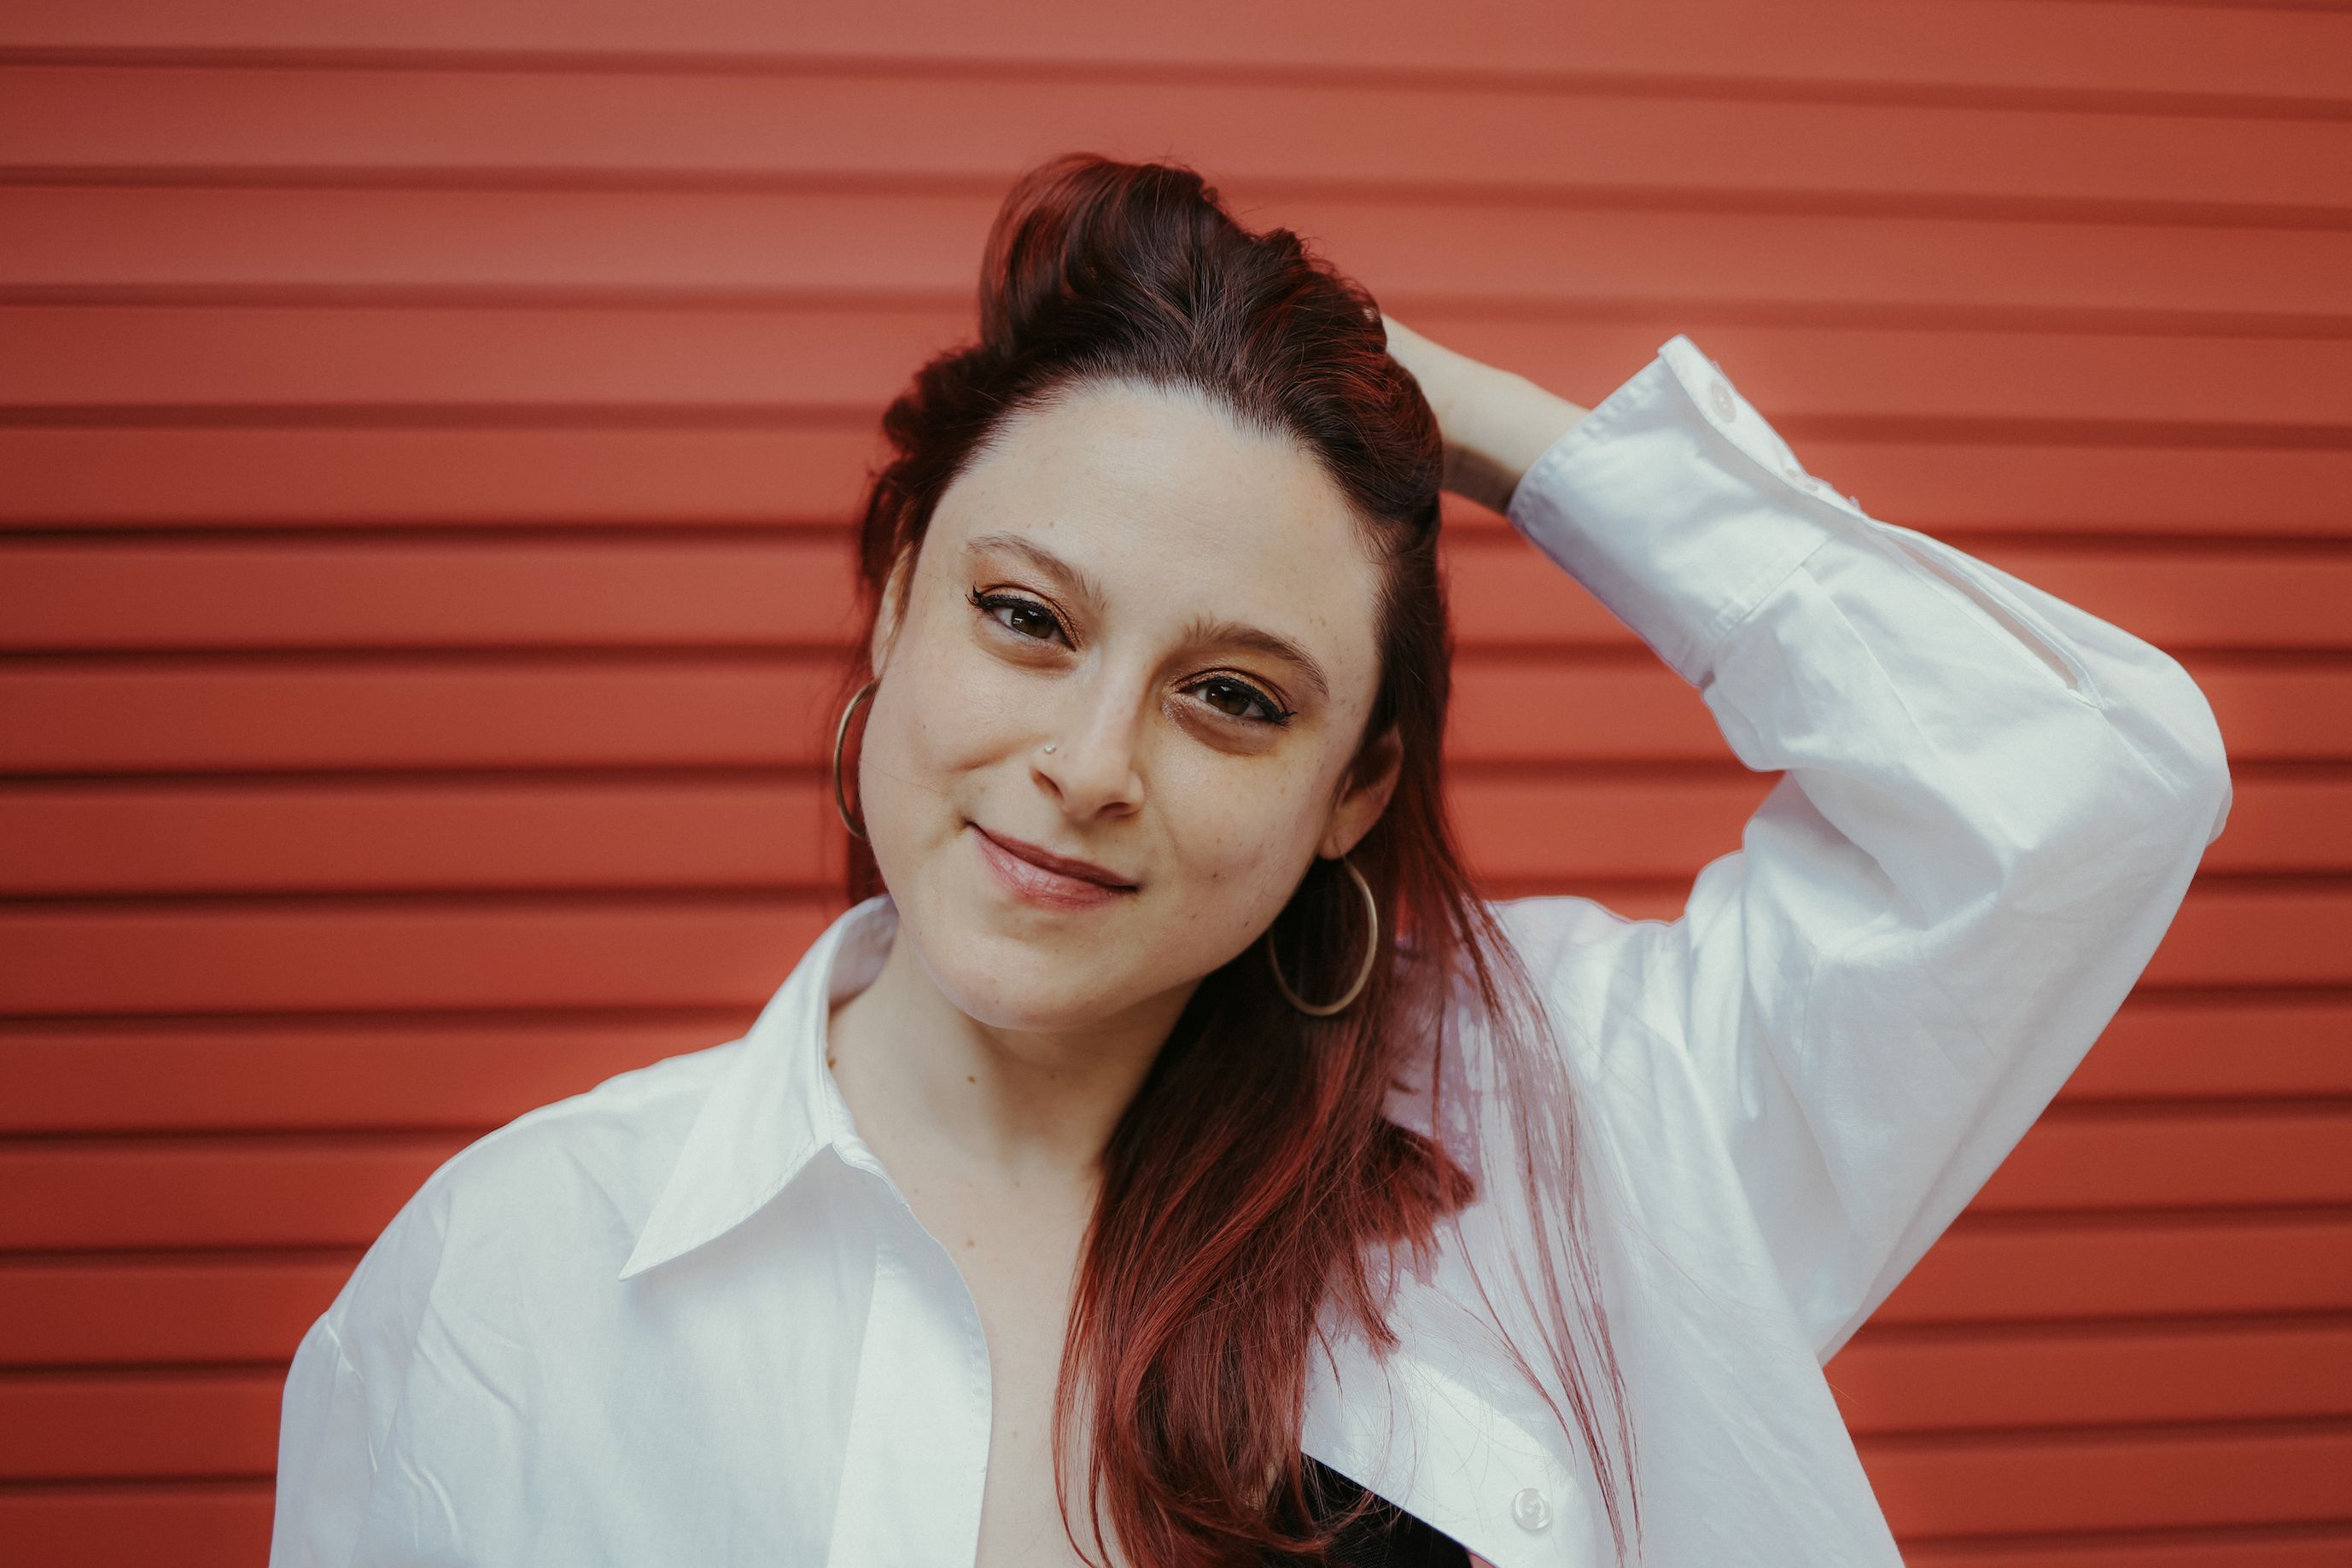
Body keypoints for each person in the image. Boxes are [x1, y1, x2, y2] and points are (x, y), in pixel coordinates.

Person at [266, 154, 2230, 1568]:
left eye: (1232, 695)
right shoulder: (511, 1279)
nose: (1087, 765)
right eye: (1027, 619)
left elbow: (2075, 781)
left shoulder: (1581, 1142)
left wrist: (1447, 417)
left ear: (1355, 786)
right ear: (893, 613)